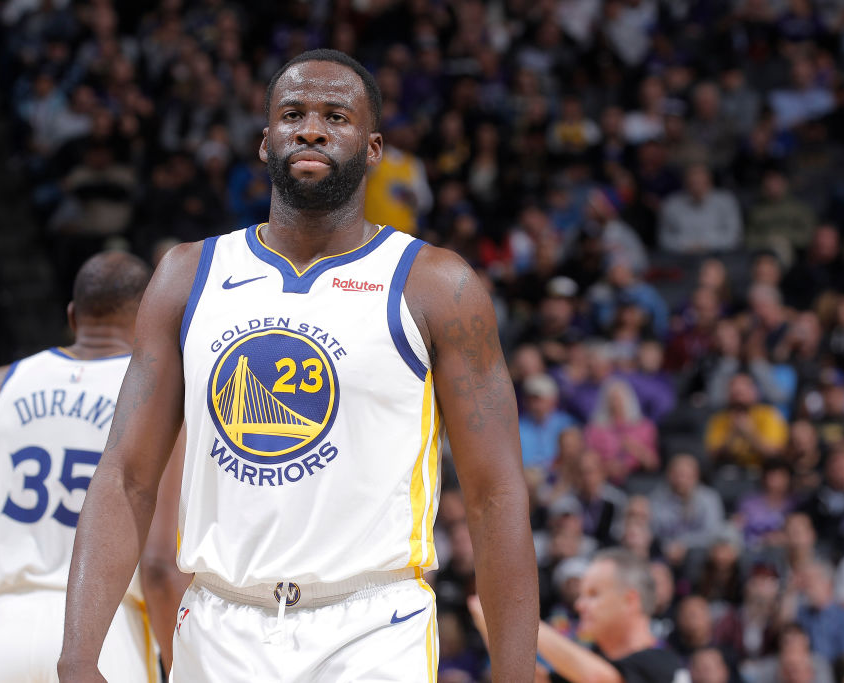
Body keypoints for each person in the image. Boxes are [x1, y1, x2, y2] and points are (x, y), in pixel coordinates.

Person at [58, 49, 538, 682]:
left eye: (335, 116)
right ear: (265, 142)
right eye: (293, 113)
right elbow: (125, 477)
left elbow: (495, 492)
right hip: (217, 621)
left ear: (372, 149)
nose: (311, 128)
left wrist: (516, 673)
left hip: (373, 625)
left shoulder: (437, 286)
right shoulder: (186, 275)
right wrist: (77, 656)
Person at [0, 252, 157, 683]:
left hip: (0, 631)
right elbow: (160, 565)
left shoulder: (0, 386)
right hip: (106, 632)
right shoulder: (153, 397)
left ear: (72, 316)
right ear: (147, 317)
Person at [471, 549, 688, 682]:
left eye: (593, 594)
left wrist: (515, 615)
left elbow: (598, 679)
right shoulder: (595, 662)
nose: (579, 605)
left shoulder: (661, 663)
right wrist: (490, 624)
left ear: (629, 600)